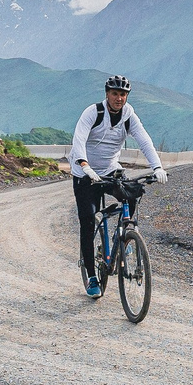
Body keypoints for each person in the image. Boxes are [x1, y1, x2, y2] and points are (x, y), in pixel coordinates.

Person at [69, 75, 163, 296]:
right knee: (88, 220)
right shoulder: (93, 113)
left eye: (123, 94)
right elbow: (79, 139)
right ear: (107, 94)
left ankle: (126, 235)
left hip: (110, 170)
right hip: (85, 174)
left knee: (133, 191)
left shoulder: (128, 115)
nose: (119, 98)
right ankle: (92, 275)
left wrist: (157, 167)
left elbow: (144, 140)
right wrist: (84, 165)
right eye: (115, 93)